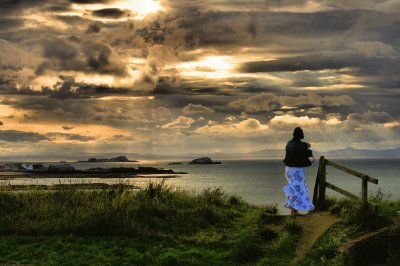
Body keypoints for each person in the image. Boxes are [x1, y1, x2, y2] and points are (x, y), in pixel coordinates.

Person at [283, 127, 315, 216]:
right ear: (301, 134)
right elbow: (306, 152)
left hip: (288, 170)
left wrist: (305, 145)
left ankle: (293, 211)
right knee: (298, 189)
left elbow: (297, 147)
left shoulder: (289, 143)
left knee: (293, 189)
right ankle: (294, 212)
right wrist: (307, 146)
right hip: (296, 170)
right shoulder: (300, 145)